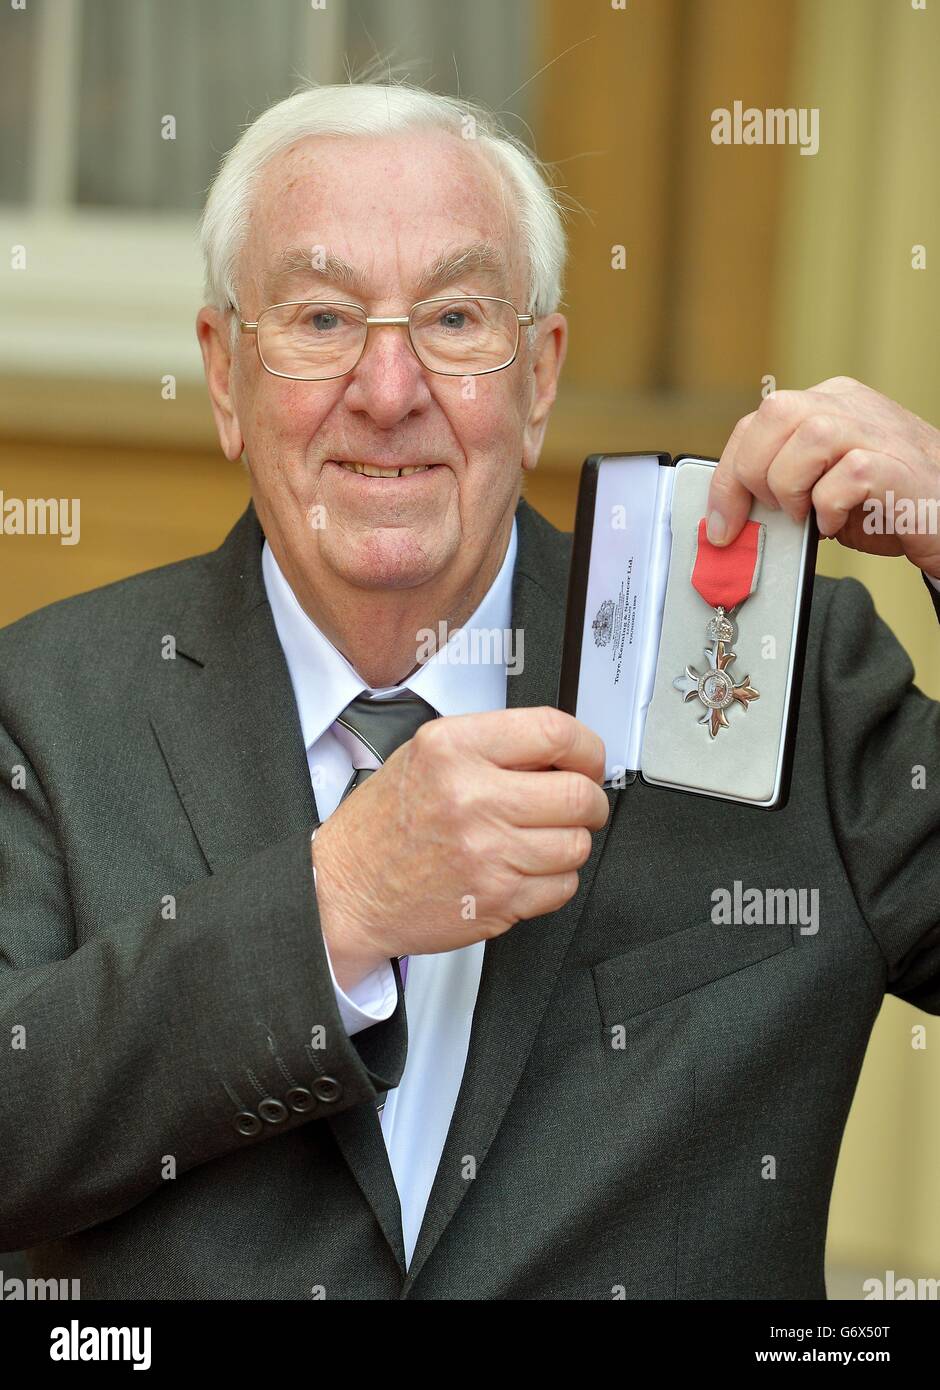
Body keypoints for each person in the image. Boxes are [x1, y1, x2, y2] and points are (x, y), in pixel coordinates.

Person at [1, 79, 938, 1300]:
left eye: (452, 318)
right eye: (322, 320)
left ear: (539, 374)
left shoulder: (785, 674)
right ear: (223, 378)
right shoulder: (48, 705)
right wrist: (330, 911)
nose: (388, 395)